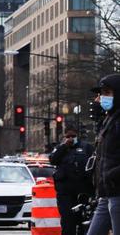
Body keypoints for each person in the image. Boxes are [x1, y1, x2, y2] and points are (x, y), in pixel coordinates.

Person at [87, 74, 120, 235]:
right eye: (100, 94)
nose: (100, 99)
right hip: (106, 193)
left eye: (107, 93)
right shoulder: (110, 121)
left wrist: (112, 174)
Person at [49, 124, 94, 235]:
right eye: (68, 136)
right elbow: (53, 160)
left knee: (84, 222)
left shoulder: (86, 147)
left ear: (76, 135)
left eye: (72, 136)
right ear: (64, 136)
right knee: (68, 222)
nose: (70, 138)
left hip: (83, 192)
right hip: (65, 194)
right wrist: (64, 147)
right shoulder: (60, 149)